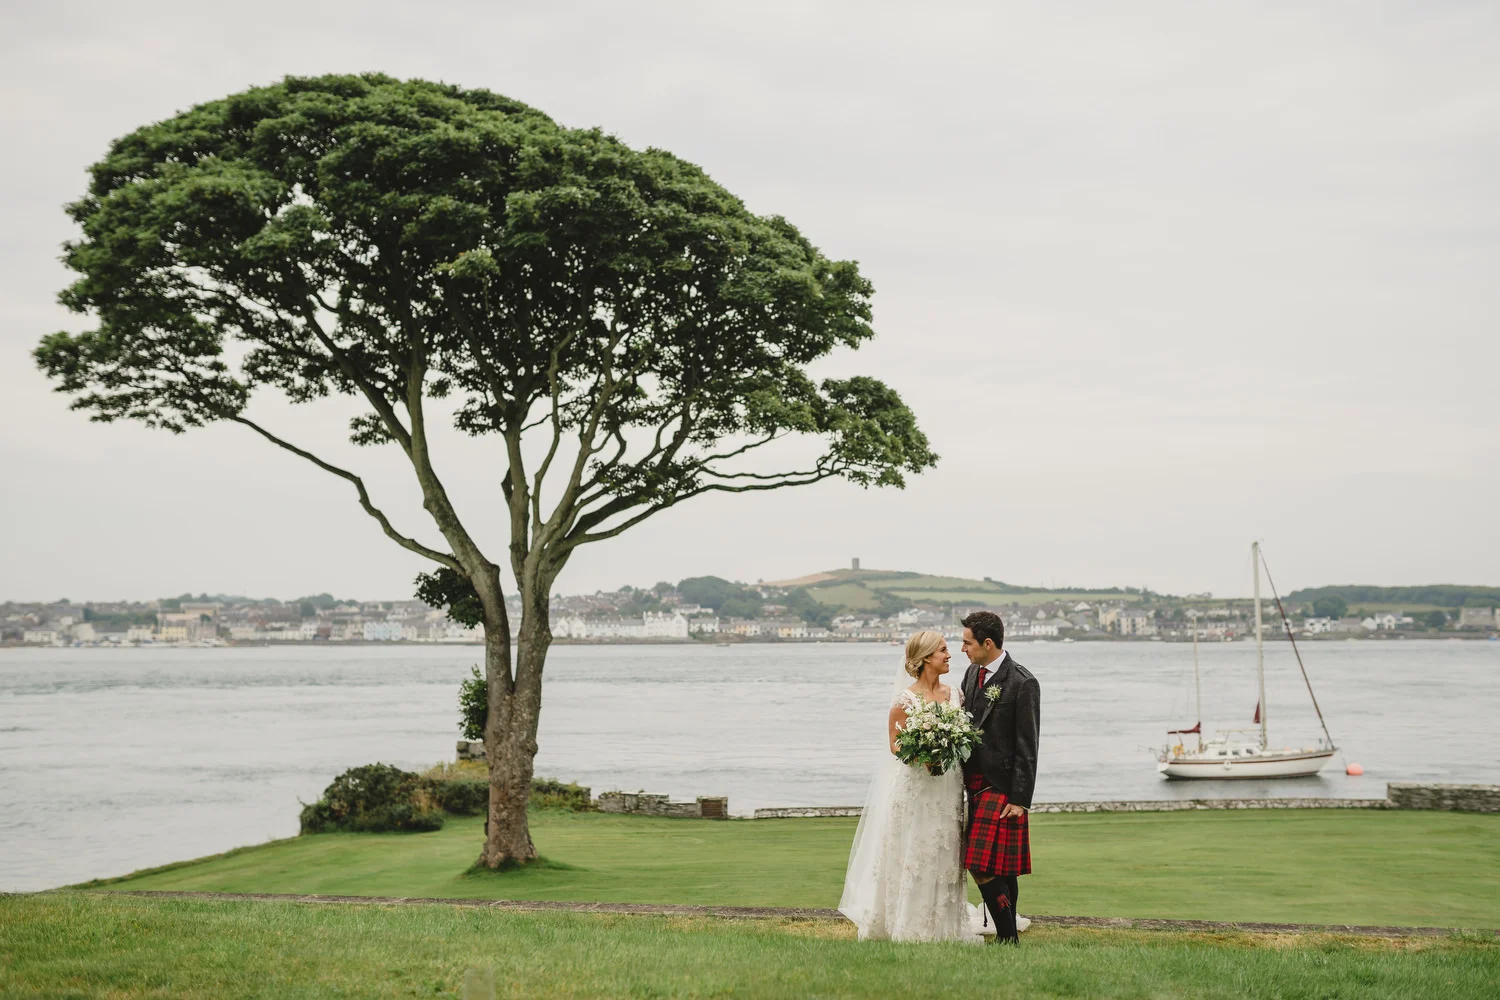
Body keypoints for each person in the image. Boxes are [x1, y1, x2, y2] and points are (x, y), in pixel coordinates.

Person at [838, 630, 981, 942]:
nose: (949, 655)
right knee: (915, 851)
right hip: (917, 788)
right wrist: (925, 756)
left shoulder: (956, 695)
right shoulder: (905, 701)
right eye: (943, 650)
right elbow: (895, 745)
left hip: (948, 787)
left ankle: (945, 926)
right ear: (926, 658)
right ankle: (907, 924)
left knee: (945, 851)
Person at [959, 610, 1040, 945]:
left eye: (967, 643)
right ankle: (1009, 939)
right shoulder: (971, 674)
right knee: (1002, 868)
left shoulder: (1022, 682)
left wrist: (1020, 800)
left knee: (980, 864)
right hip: (970, 784)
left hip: (1001, 787)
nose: (962, 649)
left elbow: (1028, 745)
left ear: (988, 643)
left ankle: (1008, 936)